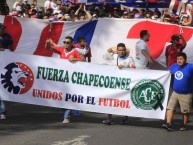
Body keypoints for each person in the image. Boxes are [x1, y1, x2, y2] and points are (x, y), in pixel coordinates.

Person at [45, 36, 82, 124]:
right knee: (62, 96)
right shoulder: (62, 50)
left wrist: (75, 59)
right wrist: (47, 43)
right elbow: (48, 48)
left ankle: (66, 117)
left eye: (68, 42)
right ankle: (66, 109)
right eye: (64, 42)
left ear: (72, 43)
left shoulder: (75, 52)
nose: (65, 44)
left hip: (71, 78)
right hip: (62, 77)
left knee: (68, 97)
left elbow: (83, 61)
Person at [102, 43, 135, 125]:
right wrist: (110, 51)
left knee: (124, 100)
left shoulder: (129, 58)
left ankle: (125, 118)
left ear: (125, 50)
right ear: (117, 50)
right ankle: (109, 118)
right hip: (114, 82)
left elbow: (133, 68)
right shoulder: (114, 57)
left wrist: (124, 67)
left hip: (124, 83)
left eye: (123, 50)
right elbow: (105, 57)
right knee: (110, 99)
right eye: (119, 50)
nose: (122, 52)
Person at [162, 52, 193, 131]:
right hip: (175, 92)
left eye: (181, 59)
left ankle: (184, 125)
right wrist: (168, 72)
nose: (179, 60)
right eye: (178, 59)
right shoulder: (174, 66)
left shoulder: (190, 67)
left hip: (186, 94)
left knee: (185, 111)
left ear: (185, 60)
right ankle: (168, 124)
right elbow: (166, 73)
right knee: (170, 107)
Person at [0, 23, 13, 120]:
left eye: (4, 28)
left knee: (2, 91)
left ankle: (2, 112)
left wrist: (8, 53)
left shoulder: (8, 36)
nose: (4, 30)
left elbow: (11, 48)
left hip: (4, 65)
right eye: (2, 28)